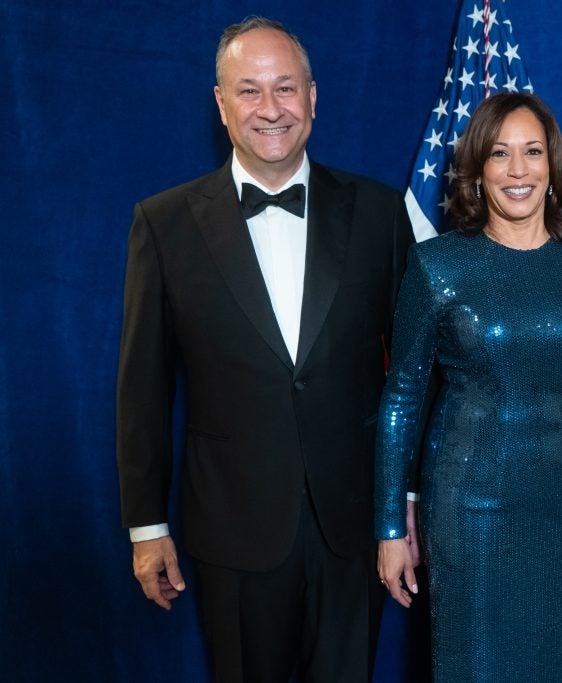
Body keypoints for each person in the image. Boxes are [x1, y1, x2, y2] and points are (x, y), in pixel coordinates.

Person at [115, 17, 414, 681]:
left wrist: (409, 499)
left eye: (285, 88)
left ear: (314, 97)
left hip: (356, 526)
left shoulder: (380, 211)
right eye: (249, 91)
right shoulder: (162, 224)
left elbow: (416, 374)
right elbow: (143, 386)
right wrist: (145, 525)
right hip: (232, 529)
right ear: (220, 104)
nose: (270, 108)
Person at [375, 92, 562, 681]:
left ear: (554, 166)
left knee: (552, 664)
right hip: (469, 504)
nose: (518, 170)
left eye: (532, 152)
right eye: (500, 154)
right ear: (477, 171)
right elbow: (402, 398)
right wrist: (391, 526)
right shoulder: (437, 264)